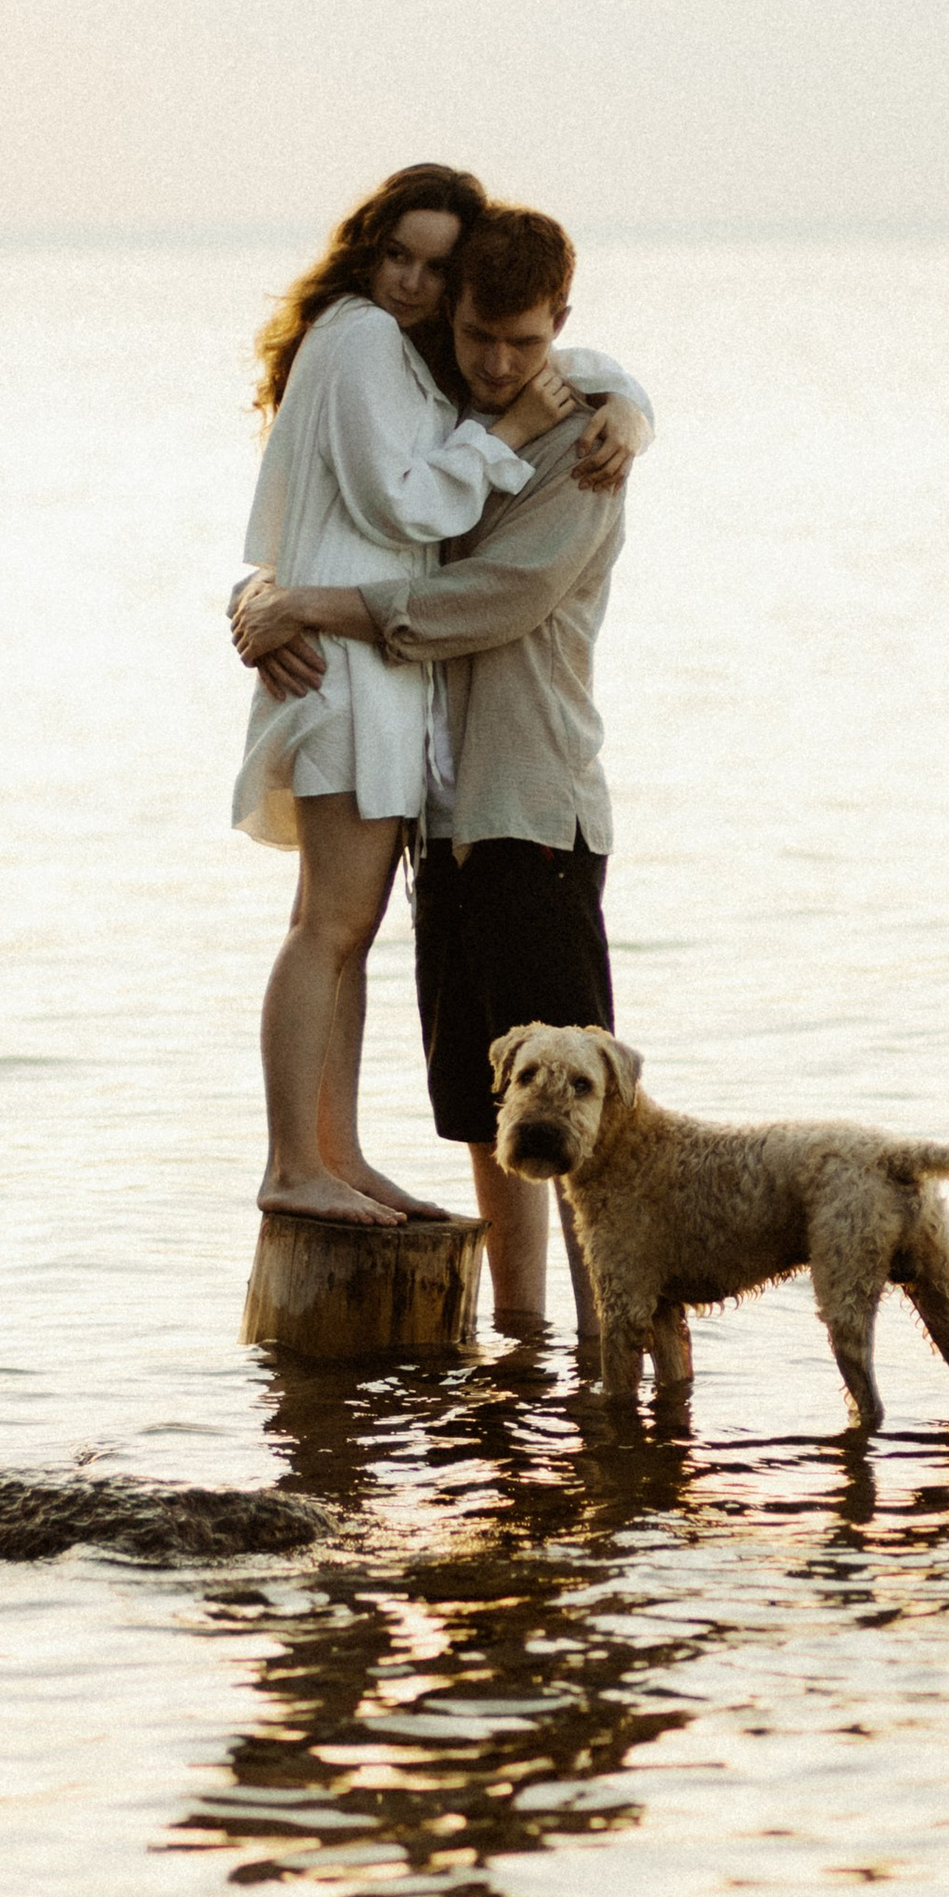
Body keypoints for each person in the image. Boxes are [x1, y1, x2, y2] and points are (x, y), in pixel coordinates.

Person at [234, 204, 629, 1327]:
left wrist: (311, 603)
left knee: (577, 1104)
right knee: (485, 1098)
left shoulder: (576, 442)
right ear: (448, 324)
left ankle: (610, 1352)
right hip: (444, 807)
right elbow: (339, 514)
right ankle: (518, 1334)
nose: (501, 366)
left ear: (558, 328)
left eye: (525, 345)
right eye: (478, 341)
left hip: (530, 800)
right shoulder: (453, 410)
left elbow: (493, 598)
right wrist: (261, 591)